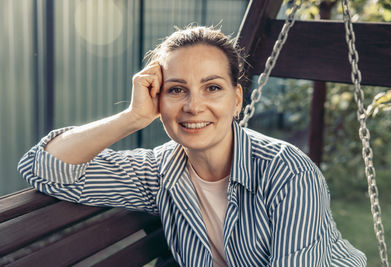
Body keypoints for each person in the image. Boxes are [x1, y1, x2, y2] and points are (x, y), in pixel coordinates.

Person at [18, 25, 366, 267]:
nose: (193, 106)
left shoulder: (286, 172)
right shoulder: (158, 172)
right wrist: (133, 118)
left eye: (212, 87)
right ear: (158, 100)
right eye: (176, 89)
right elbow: (44, 168)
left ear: (236, 99)